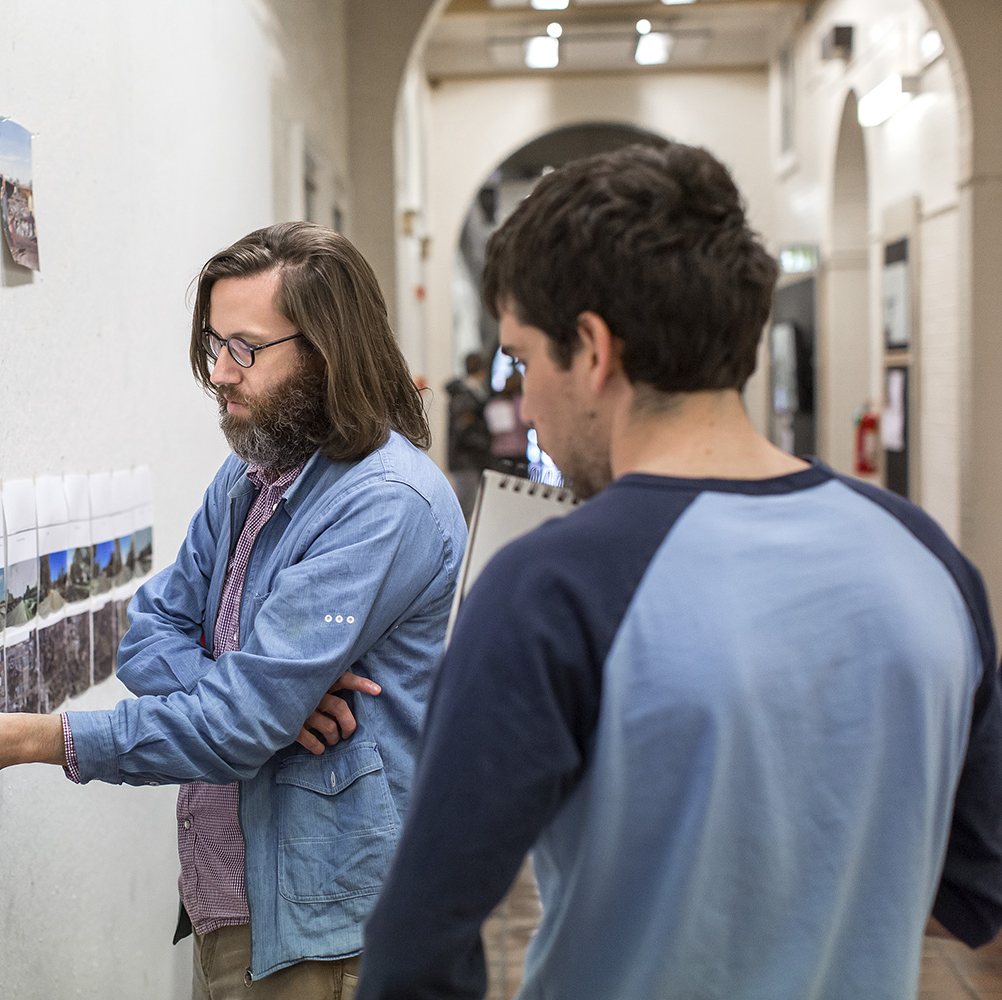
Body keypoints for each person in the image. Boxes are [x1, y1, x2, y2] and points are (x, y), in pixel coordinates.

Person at [356, 144, 1002, 1000]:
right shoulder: (929, 561)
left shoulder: (551, 590)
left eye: (521, 360)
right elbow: (973, 894)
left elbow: (416, 953)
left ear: (591, 349)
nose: (527, 406)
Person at [0, 221, 467, 998]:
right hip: (234, 906)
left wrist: (31, 739)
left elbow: (238, 728)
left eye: (245, 348)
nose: (219, 372)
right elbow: (147, 638)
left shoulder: (384, 501)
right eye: (213, 344)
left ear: (327, 350)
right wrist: (248, 693)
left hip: (331, 934)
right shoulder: (250, 475)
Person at [445, 351, 493, 516]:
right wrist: (486, 440)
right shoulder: (466, 396)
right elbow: (464, 430)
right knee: (467, 510)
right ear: (482, 369)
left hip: (471, 460)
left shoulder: (472, 394)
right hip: (466, 460)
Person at [484, 370, 528, 477]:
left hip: (499, 453)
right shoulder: (522, 403)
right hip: (519, 452)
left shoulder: (495, 403)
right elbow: (528, 425)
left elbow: (491, 428)